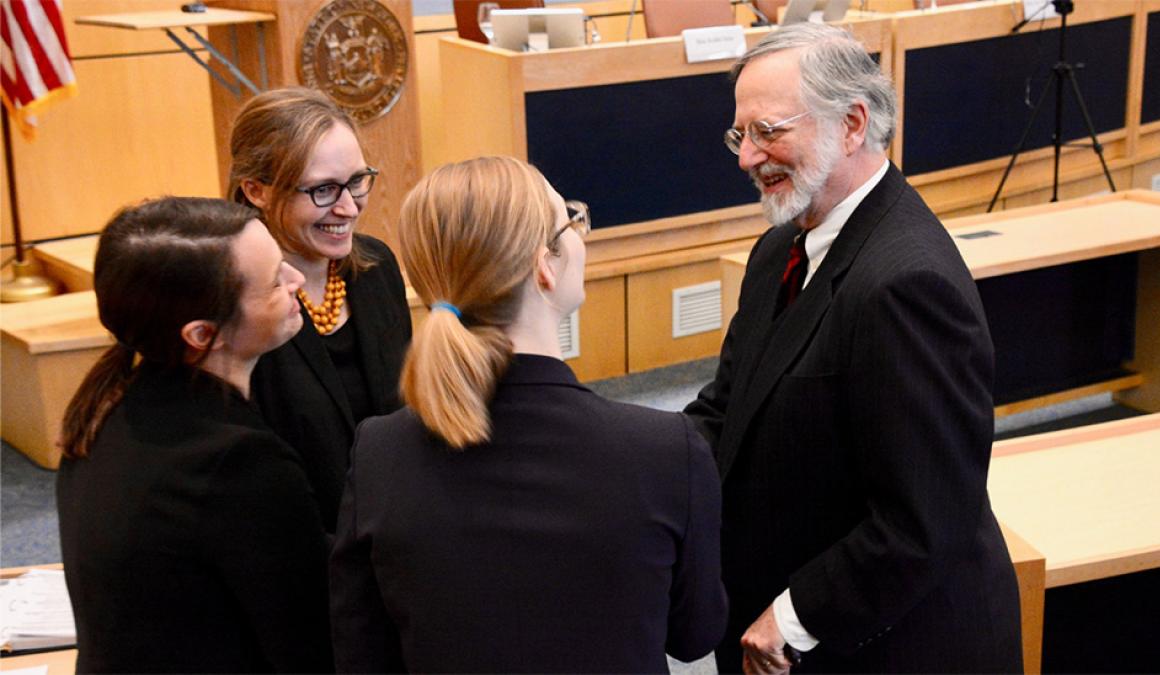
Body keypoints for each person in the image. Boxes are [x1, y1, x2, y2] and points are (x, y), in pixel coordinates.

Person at [684, 24, 1022, 673]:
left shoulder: (907, 285)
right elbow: (727, 411)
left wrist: (794, 616)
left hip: (890, 644)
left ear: (852, 123)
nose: (746, 159)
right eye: (739, 134)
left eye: (768, 131)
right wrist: (622, 476)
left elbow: (922, 521)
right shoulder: (776, 250)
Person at [329, 156, 728, 673]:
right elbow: (695, 636)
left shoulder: (379, 453)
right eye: (571, 221)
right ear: (546, 264)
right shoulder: (665, 449)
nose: (581, 234)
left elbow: (362, 652)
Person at [56, 197, 333, 673]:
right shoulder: (238, 462)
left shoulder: (106, 404)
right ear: (203, 334)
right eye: (273, 281)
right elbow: (312, 647)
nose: (296, 281)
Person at [227, 87, 413, 532]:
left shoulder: (377, 267)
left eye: (356, 181)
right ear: (256, 190)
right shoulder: (235, 303)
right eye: (324, 189)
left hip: (393, 531)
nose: (349, 207)